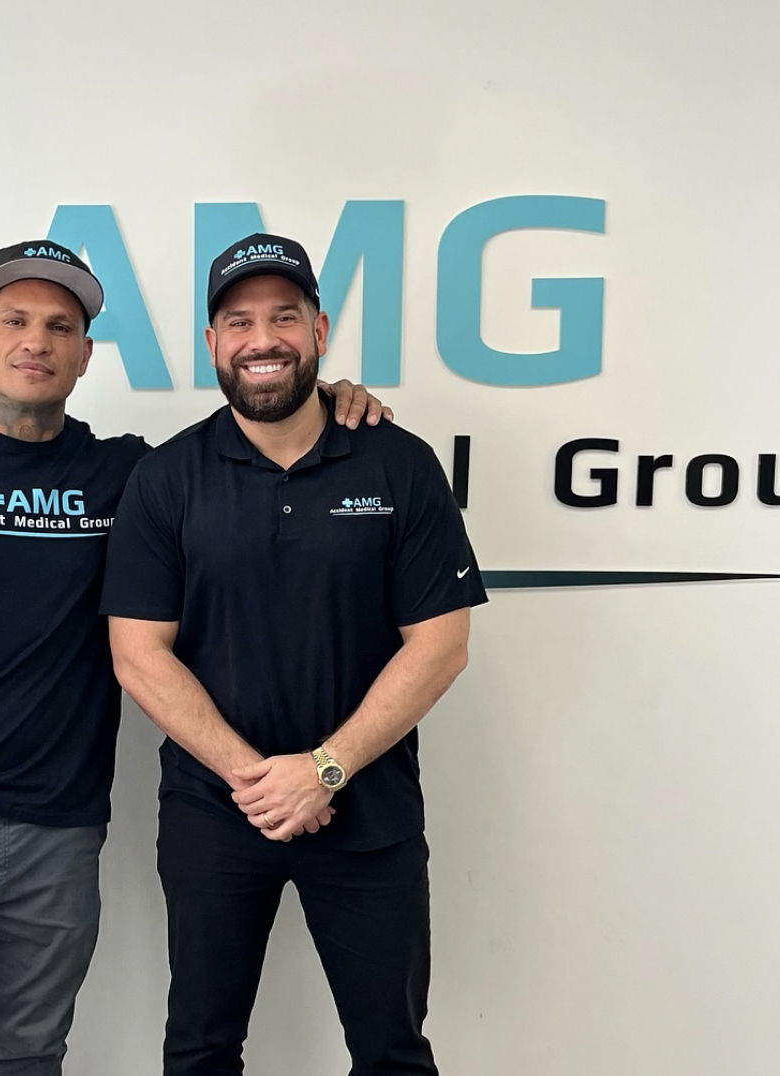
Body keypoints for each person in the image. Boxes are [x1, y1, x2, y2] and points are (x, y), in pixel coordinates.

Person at [0, 238, 389, 1076]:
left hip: (56, 828)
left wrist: (330, 397)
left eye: (60, 327)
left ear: (86, 354)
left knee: (30, 1058)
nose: (37, 341)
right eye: (15, 321)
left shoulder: (126, 474)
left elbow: (246, 447)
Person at [101, 233, 488, 1076]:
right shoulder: (167, 479)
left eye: (283, 316)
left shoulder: (400, 465)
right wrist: (261, 781)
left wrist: (325, 769)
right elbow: (137, 654)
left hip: (368, 807)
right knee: (200, 1050)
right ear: (213, 344)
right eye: (239, 322)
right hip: (215, 812)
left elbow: (441, 645)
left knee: (392, 1053)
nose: (262, 339)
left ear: (318, 330)